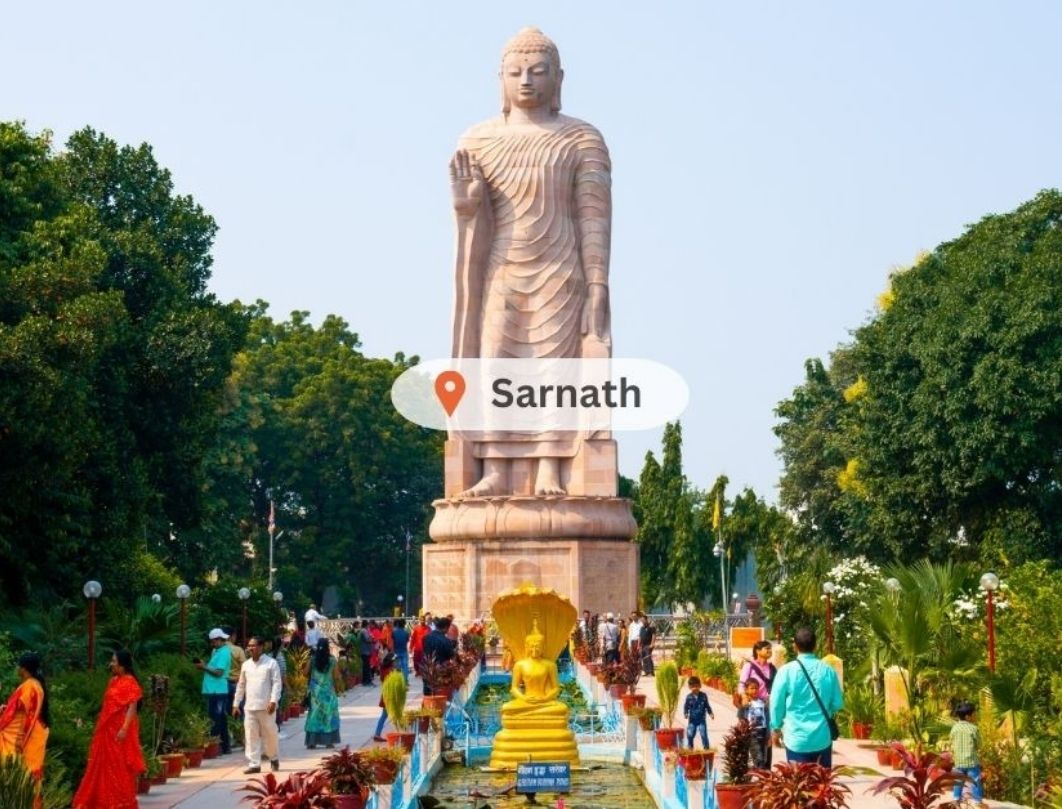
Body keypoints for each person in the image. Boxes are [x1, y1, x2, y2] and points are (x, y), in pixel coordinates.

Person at [448, 27, 613, 498]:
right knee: (499, 369)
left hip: (561, 271)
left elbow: (594, 216)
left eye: (538, 72)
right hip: (503, 270)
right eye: (516, 72)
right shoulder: (478, 140)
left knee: (553, 372)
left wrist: (598, 283)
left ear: (558, 78)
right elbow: (473, 221)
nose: (526, 82)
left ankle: (548, 465)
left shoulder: (581, 139)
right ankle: (496, 466)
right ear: (499, 78)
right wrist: (466, 208)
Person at [72, 650, 146, 809]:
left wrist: (124, 729)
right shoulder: (113, 681)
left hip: (120, 731)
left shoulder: (130, 682)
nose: (111, 664)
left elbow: (132, 708)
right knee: (103, 766)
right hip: (106, 730)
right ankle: (104, 802)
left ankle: (122, 802)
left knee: (119, 767)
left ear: (123, 664)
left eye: (114, 661)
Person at [769, 627, 844, 767]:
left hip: (796, 738)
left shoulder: (786, 671)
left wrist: (776, 727)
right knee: (822, 785)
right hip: (822, 738)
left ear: (794, 646)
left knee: (800, 785)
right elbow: (837, 703)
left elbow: (776, 703)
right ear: (815, 645)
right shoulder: (828, 671)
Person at [0, 652, 50, 808]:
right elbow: (21, 711)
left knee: (23, 775)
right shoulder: (36, 685)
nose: (17, 669)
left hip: (25, 737)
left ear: (23, 668)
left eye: (18, 666)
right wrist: (5, 708)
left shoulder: (29, 687)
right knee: (30, 778)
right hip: (35, 734)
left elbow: (18, 714)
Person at [233, 636, 282, 774]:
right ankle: (254, 763)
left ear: (261, 647)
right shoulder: (246, 665)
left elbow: (277, 684)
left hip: (267, 707)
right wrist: (236, 703)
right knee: (250, 735)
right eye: (249, 646)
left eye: (254, 645)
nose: (251, 648)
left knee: (270, 734)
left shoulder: (271, 663)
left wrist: (273, 701)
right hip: (249, 707)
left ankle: (274, 757)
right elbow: (241, 685)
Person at [195, 628, 232, 755]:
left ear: (219, 639)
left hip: (218, 690)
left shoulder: (224, 652)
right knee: (220, 719)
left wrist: (204, 667)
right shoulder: (217, 651)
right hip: (214, 690)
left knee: (216, 720)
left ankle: (216, 748)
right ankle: (224, 747)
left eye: (213, 641)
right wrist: (205, 665)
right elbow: (214, 669)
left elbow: (219, 672)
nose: (212, 644)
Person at [304, 638, 342, 749]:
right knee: (328, 715)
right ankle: (328, 742)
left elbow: (305, 673)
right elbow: (336, 676)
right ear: (327, 648)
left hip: (315, 694)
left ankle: (312, 742)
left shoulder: (312, 660)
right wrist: (339, 688)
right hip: (328, 693)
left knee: (314, 716)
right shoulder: (332, 661)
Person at [949, 701, 986, 808]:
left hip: (959, 761)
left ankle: (956, 799)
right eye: (974, 714)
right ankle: (977, 802)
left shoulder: (954, 728)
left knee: (958, 782)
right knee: (975, 781)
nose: (975, 716)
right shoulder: (973, 729)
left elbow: (951, 740)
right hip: (971, 762)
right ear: (968, 717)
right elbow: (979, 744)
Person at [737, 680, 770, 768]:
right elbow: (740, 717)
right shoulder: (746, 703)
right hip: (752, 733)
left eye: (756, 688)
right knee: (758, 758)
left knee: (764, 758)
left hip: (763, 732)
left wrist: (769, 735)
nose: (754, 690)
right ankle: (760, 777)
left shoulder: (763, 703)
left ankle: (759, 776)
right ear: (746, 690)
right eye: (752, 688)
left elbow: (767, 719)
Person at [422, 616, 457, 697]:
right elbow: (451, 656)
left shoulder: (426, 637)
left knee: (428, 694)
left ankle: (427, 708)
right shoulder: (445, 641)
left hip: (427, 669)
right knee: (439, 694)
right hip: (440, 671)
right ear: (446, 628)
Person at [683, 676, 715, 749]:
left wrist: (711, 713)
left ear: (700, 686)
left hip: (701, 719)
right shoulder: (689, 697)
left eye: (696, 686)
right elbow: (686, 707)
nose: (695, 688)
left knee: (703, 734)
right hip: (692, 720)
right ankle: (690, 747)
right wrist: (685, 713)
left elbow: (707, 706)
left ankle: (706, 748)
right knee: (690, 734)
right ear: (689, 687)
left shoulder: (703, 696)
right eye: (693, 686)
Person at [372, 652, 398, 742]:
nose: (396, 662)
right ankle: (397, 735)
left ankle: (377, 733)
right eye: (395, 661)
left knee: (384, 715)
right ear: (391, 662)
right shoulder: (389, 671)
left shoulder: (385, 670)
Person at [411, 613, 431, 681]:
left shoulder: (428, 628)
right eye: (421, 620)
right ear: (419, 620)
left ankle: (422, 672)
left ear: (425, 621)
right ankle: (417, 671)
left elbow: (430, 638)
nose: (422, 621)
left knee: (424, 661)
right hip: (417, 648)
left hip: (425, 648)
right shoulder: (416, 628)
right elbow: (413, 638)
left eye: (423, 620)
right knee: (415, 660)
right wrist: (411, 647)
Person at [355, 620, 375, 686]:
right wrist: (372, 638)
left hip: (364, 651)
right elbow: (367, 639)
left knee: (365, 666)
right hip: (365, 651)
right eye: (368, 625)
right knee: (366, 666)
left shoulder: (362, 631)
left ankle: (364, 681)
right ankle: (367, 681)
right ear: (366, 625)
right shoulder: (364, 631)